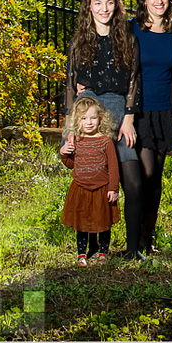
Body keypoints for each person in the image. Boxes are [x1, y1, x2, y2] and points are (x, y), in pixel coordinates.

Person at [65, 0, 144, 261]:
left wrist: (129, 117)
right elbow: (70, 84)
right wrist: (71, 129)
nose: (104, 8)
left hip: (119, 108)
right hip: (89, 110)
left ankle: (134, 247)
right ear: (89, 7)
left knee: (133, 180)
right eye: (97, 3)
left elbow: (135, 78)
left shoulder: (126, 37)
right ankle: (92, 248)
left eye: (109, 2)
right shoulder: (79, 42)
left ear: (116, 5)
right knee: (92, 184)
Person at [130, 0, 172, 255]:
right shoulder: (132, 28)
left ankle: (148, 239)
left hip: (165, 111)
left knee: (156, 178)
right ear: (144, 0)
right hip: (139, 111)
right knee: (144, 176)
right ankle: (134, 238)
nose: (158, 1)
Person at [59, 96, 120, 266]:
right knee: (82, 222)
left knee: (103, 222)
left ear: (101, 119)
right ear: (77, 121)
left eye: (93, 118)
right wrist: (64, 152)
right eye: (84, 118)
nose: (89, 122)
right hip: (80, 188)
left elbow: (114, 168)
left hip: (102, 189)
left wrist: (113, 188)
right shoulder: (76, 140)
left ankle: (103, 253)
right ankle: (81, 255)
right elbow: (71, 165)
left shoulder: (106, 142)